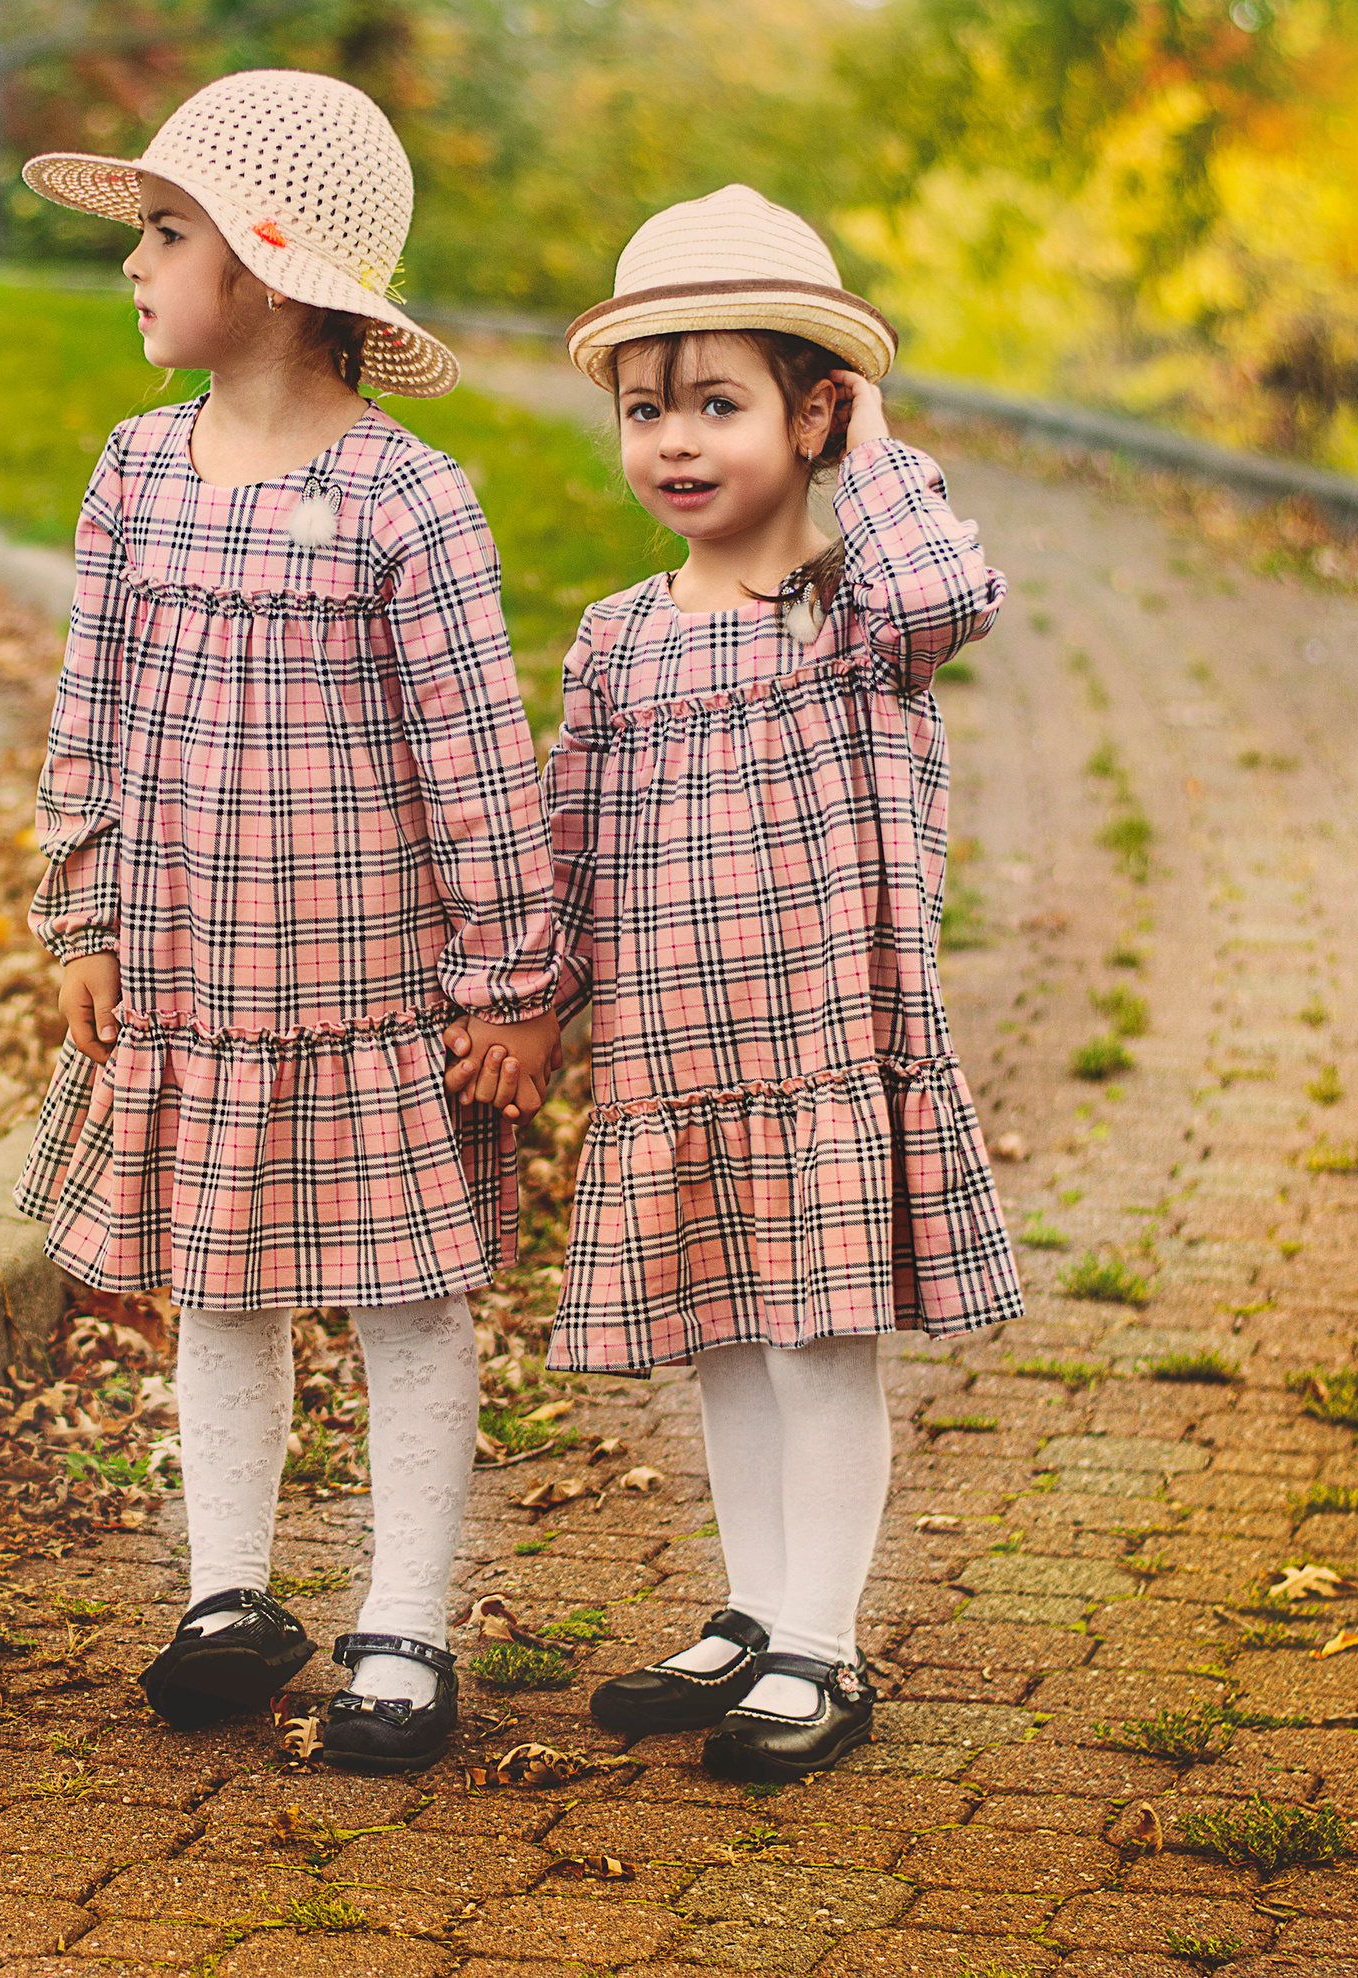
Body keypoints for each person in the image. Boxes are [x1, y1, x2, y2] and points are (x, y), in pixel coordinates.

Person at [11, 69, 558, 1775]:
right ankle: (228, 1594)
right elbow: (88, 704)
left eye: (165, 234)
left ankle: (406, 1619)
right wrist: (85, 908)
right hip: (191, 980)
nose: (134, 265)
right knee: (218, 1284)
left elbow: (480, 757)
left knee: (405, 1301)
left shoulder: (406, 502)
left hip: (372, 996)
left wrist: (510, 982)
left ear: (267, 263)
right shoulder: (136, 473)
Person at [543, 185, 1021, 1782]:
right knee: (731, 1346)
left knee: (820, 1349)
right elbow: (571, 841)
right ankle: (757, 1609)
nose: (677, 442)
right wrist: (537, 995)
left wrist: (869, 445)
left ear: (814, 413)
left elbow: (951, 589)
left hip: (819, 1049)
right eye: (646, 409)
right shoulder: (615, 642)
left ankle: (826, 1641)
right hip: (678, 1057)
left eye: (721, 404)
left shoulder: (855, 617)